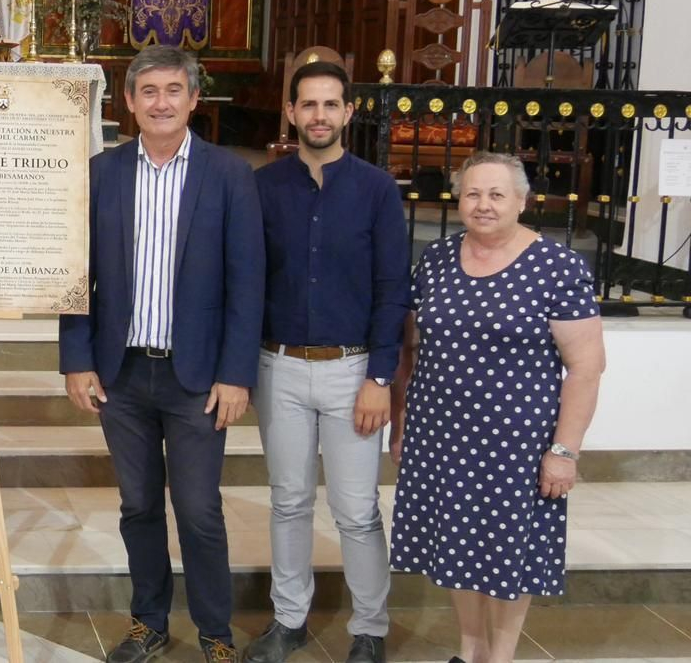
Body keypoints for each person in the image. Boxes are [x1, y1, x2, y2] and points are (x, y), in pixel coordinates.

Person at [60, 45, 265, 663]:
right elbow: (78, 274)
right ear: (128, 101)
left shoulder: (228, 175)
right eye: (148, 91)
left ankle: (215, 632)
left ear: (194, 99)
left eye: (174, 91)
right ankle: (148, 621)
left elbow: (246, 281)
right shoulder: (103, 172)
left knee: (200, 511)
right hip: (121, 372)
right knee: (139, 505)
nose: (161, 103)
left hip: (196, 377)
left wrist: (236, 374)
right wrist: (76, 357)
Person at [389, 152, 606, 663]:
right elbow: (411, 347)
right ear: (458, 199)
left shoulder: (556, 266)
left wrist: (564, 451)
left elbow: (586, 367)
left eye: (496, 194)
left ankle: (501, 655)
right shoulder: (437, 259)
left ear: (522, 201)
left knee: (511, 552)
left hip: (517, 446)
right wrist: (402, 426)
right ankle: (470, 648)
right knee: (456, 544)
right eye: (472, 194)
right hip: (440, 434)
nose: (482, 205)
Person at [246, 61, 407, 663]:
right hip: (279, 368)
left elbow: (393, 288)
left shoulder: (376, 189)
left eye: (330, 104)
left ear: (348, 112)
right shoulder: (263, 186)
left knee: (356, 510)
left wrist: (380, 379)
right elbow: (249, 280)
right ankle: (288, 619)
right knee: (288, 500)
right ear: (290, 112)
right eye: (307, 105)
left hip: (352, 372)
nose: (319, 115)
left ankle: (370, 628)